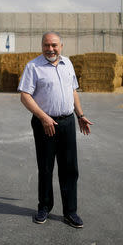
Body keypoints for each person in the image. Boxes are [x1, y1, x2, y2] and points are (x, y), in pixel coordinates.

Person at [18, 31, 93, 228]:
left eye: (54, 45)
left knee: (70, 169)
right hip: (44, 124)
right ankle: (44, 207)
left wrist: (80, 115)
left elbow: (73, 91)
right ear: (42, 46)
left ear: (61, 46)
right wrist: (43, 118)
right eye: (46, 45)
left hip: (67, 123)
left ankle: (70, 212)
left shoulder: (68, 63)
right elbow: (25, 95)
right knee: (45, 167)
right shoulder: (33, 66)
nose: (50, 49)